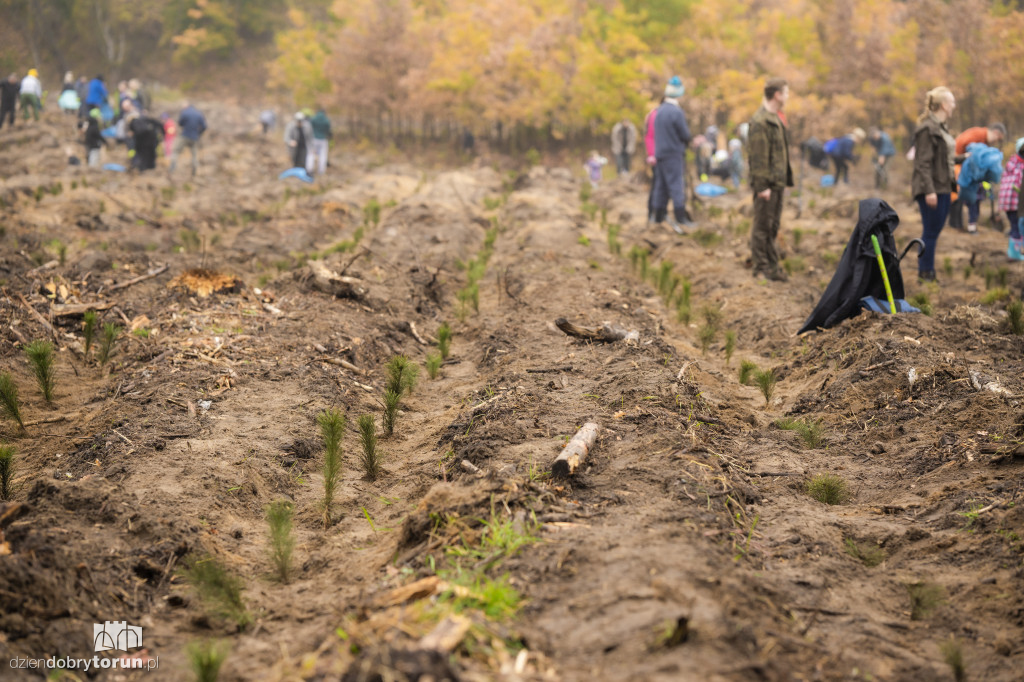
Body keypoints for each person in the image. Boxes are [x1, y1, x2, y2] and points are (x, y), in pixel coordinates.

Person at [912, 86, 962, 282]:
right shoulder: (927, 129)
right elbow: (922, 163)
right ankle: (926, 273)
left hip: (942, 186)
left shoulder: (941, 127)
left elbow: (942, 159)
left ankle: (927, 270)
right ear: (943, 105)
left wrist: (963, 158)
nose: (954, 106)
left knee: (934, 230)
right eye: (952, 102)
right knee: (931, 231)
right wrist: (929, 191)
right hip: (931, 189)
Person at [748, 77, 794, 282]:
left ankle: (772, 267)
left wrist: (782, 182)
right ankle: (761, 268)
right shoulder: (760, 121)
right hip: (767, 185)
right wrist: (762, 186)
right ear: (777, 95)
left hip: (776, 183)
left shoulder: (775, 118)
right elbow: (758, 158)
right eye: (785, 92)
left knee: (772, 226)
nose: (787, 96)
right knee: (761, 227)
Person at [651, 76, 695, 234]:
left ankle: (658, 217)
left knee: (660, 186)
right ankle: (680, 217)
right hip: (673, 154)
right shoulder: (676, 112)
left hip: (660, 154)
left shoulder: (659, 111)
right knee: (676, 185)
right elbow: (685, 134)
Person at [951, 122, 1006, 232]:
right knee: (956, 194)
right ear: (995, 133)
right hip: (957, 162)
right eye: (998, 139)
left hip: (966, 168)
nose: (996, 142)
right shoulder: (978, 135)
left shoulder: (984, 141)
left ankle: (960, 224)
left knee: (966, 197)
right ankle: (955, 225)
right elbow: (963, 147)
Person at [999, 138, 1024, 260]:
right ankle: (1015, 254)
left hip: (1006, 202)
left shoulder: (1012, 163)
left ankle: (1013, 252)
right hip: (1015, 202)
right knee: (1017, 227)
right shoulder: (1021, 166)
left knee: (1015, 225)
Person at [170, 101, 207, 177]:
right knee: (194, 154)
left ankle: (173, 166)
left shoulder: (185, 113)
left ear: (186, 106)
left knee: (176, 150)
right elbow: (204, 126)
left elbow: (180, 123)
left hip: (185, 135)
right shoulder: (199, 113)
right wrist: (199, 133)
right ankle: (195, 168)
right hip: (194, 137)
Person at [642, 97, 663, 224]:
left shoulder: (657, 114)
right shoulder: (654, 115)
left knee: (658, 186)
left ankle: (657, 214)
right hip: (657, 158)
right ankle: (653, 214)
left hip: (659, 156)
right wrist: (651, 154)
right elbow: (649, 136)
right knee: (657, 186)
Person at [310, 107, 332, 176]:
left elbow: (310, 128)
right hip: (323, 139)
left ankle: (309, 169)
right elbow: (328, 130)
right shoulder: (326, 120)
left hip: (313, 139)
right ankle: (321, 171)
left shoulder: (313, 119)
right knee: (323, 156)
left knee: (311, 155)